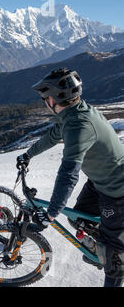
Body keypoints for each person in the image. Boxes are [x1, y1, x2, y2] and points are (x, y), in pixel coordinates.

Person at [17, 68, 124, 287]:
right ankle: (107, 242)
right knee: (77, 218)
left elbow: (68, 175)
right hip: (99, 181)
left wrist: (51, 214)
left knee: (115, 264)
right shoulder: (74, 113)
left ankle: (115, 250)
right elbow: (53, 135)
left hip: (117, 192)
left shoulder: (79, 126)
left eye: (44, 98)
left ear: (52, 99)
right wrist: (28, 154)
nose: (44, 102)